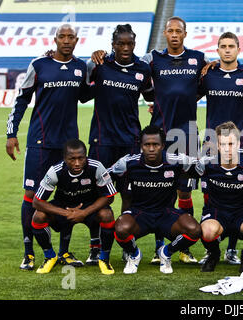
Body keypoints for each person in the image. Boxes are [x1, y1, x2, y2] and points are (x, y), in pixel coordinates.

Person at [92, 16, 209, 264]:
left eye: (179, 31)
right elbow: (129, 63)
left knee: (184, 191)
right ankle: (157, 246)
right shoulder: (151, 58)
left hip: (187, 133)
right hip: (159, 134)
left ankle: (182, 248)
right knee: (158, 190)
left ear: (185, 34)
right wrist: (101, 53)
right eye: (170, 31)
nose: (174, 34)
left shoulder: (199, 59)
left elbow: (211, 77)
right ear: (164, 34)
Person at [5, 24, 90, 270]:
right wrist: (11, 134)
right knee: (31, 196)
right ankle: (29, 252)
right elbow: (21, 99)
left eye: (70, 37)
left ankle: (63, 252)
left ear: (76, 40)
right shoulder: (39, 65)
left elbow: (86, 94)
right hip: (39, 143)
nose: (66, 40)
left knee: (67, 198)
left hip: (68, 148)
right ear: (55, 39)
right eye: (61, 36)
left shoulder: (80, 67)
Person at [83, 24, 152, 265]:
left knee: (128, 195)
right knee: (98, 196)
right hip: (101, 141)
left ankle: (125, 241)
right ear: (113, 44)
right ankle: (95, 245)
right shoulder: (100, 65)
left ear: (135, 44)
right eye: (120, 43)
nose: (125, 48)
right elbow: (82, 93)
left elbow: (152, 95)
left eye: (129, 44)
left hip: (130, 142)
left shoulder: (142, 69)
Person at [197, 32, 243, 265]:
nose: (227, 50)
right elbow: (185, 95)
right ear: (217, 50)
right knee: (210, 191)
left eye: (231, 46)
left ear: (238, 49)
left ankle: (233, 249)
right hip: (211, 142)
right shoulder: (208, 74)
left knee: (239, 193)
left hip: (240, 142)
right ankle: (212, 246)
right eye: (223, 46)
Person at [109, 125, 202, 274]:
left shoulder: (176, 161)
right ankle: (134, 255)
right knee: (120, 228)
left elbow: (203, 169)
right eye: (147, 145)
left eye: (155, 144)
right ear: (141, 146)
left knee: (195, 230)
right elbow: (103, 177)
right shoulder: (128, 163)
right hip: (140, 214)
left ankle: (166, 252)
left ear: (163, 146)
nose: (151, 149)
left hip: (167, 214)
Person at [31, 139, 117, 275]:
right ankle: (50, 256)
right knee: (38, 216)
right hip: (63, 206)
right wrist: (65, 213)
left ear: (86, 156)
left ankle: (104, 258)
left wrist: (84, 212)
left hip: (89, 206)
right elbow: (37, 202)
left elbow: (109, 196)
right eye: (72, 159)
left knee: (107, 215)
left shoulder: (97, 167)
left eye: (81, 158)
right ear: (65, 158)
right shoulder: (55, 170)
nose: (77, 163)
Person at [194, 122, 243, 273]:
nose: (227, 148)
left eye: (231, 143)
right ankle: (214, 254)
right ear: (217, 146)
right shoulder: (206, 162)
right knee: (206, 231)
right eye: (223, 144)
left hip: (242, 212)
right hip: (216, 213)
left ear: (239, 143)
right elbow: (179, 166)